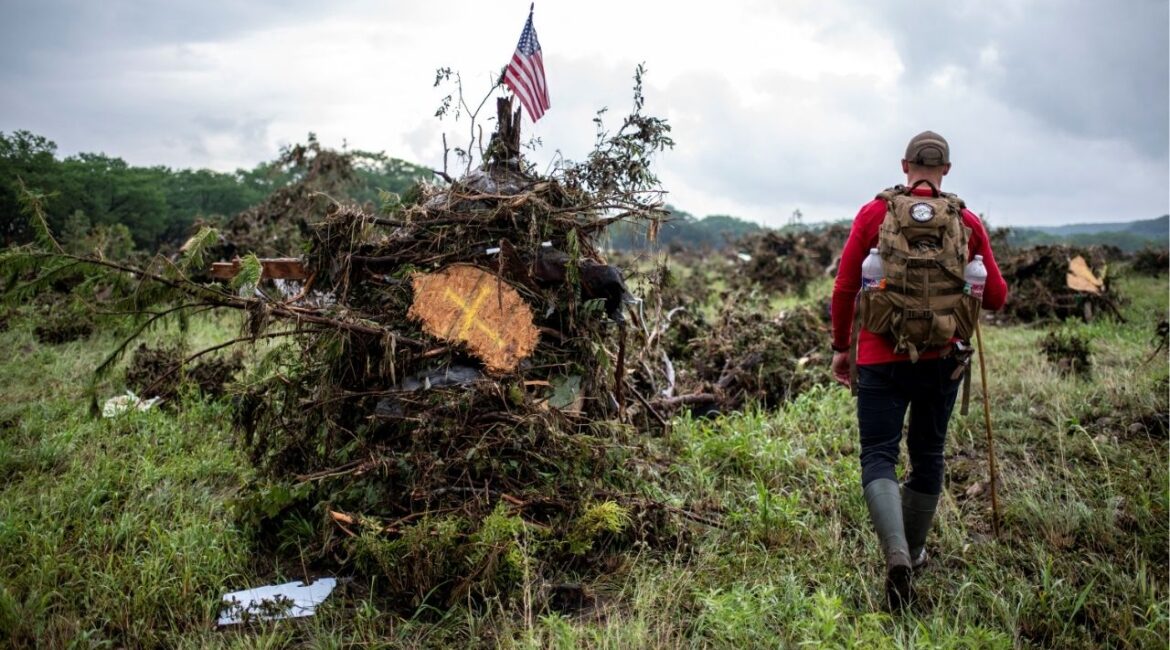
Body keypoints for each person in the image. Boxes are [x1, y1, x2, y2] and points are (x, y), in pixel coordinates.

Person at [829, 131, 1008, 609]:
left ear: (905, 164)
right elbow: (996, 296)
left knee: (879, 456)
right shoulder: (965, 219)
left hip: (878, 358)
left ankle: (896, 553)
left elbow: (846, 287)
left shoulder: (874, 214)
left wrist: (840, 348)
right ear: (946, 169)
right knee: (928, 455)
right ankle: (916, 550)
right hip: (942, 362)